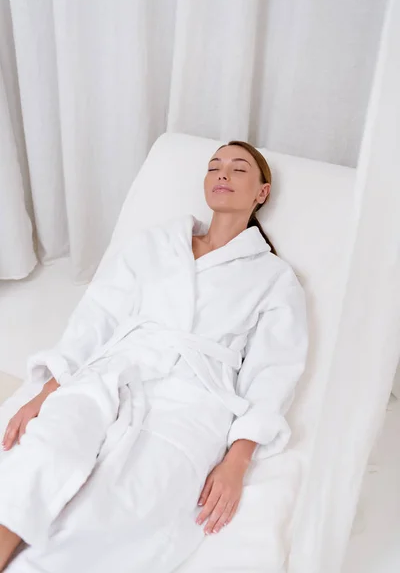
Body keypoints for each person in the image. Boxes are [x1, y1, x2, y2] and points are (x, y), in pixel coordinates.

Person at [0, 141, 308, 572]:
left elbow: (272, 372)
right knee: (47, 449)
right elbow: (98, 316)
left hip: (194, 401)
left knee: (128, 504)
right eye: (214, 166)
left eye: (239, 169)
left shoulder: (275, 279)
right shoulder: (157, 243)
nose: (222, 174)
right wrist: (48, 390)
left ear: (262, 192)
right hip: (116, 370)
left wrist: (236, 461)